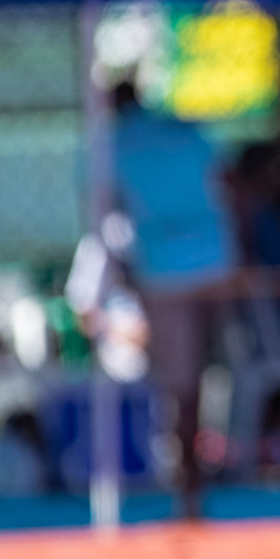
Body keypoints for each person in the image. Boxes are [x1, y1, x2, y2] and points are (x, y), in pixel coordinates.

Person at [108, 80, 238, 517]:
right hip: (215, 263)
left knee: (181, 385)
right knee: (218, 374)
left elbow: (107, 209)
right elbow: (225, 185)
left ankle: (191, 488)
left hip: (163, 271)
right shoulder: (186, 132)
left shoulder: (110, 144)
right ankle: (210, 469)